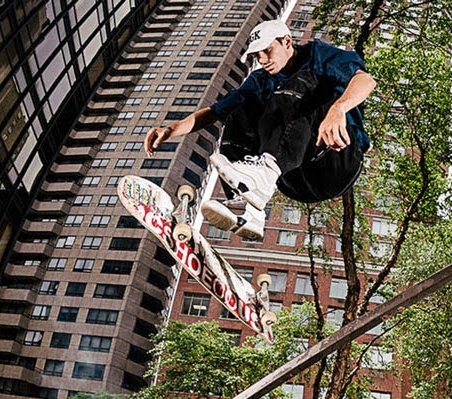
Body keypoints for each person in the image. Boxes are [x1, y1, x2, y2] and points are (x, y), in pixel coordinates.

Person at [144, 18, 376, 239]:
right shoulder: (259, 80)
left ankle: (265, 172)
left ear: (287, 41)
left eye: (267, 50)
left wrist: (338, 110)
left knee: (300, 81)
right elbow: (213, 113)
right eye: (257, 55)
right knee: (239, 108)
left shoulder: (317, 54)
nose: (263, 60)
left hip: (336, 160)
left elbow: (365, 80)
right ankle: (247, 205)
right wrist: (171, 129)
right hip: (294, 180)